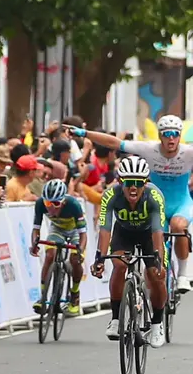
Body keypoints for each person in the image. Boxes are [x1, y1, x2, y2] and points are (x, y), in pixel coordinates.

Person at [70, 115, 193, 292]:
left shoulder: (188, 152)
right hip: (155, 205)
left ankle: (182, 275)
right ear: (160, 135)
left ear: (180, 135)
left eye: (175, 134)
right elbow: (114, 143)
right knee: (156, 249)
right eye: (166, 134)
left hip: (180, 203)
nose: (171, 138)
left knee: (178, 226)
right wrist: (84, 133)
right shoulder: (150, 149)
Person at [91, 156, 167, 347]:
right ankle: (116, 318)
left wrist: (159, 261)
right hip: (123, 233)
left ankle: (157, 323)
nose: (133, 187)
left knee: (156, 276)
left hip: (149, 234)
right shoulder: (110, 195)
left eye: (138, 183)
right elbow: (105, 229)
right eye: (128, 182)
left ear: (146, 183)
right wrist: (99, 258)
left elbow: (158, 231)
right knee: (118, 265)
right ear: (119, 181)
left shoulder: (154, 196)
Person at [30, 179, 88, 316]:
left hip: (75, 230)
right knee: (50, 256)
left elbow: (83, 235)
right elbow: (36, 229)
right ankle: (43, 297)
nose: (51, 207)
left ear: (63, 201)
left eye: (56, 203)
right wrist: (34, 244)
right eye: (48, 203)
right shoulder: (39, 204)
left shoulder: (73, 205)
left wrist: (80, 251)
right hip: (57, 229)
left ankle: (74, 294)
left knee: (75, 260)